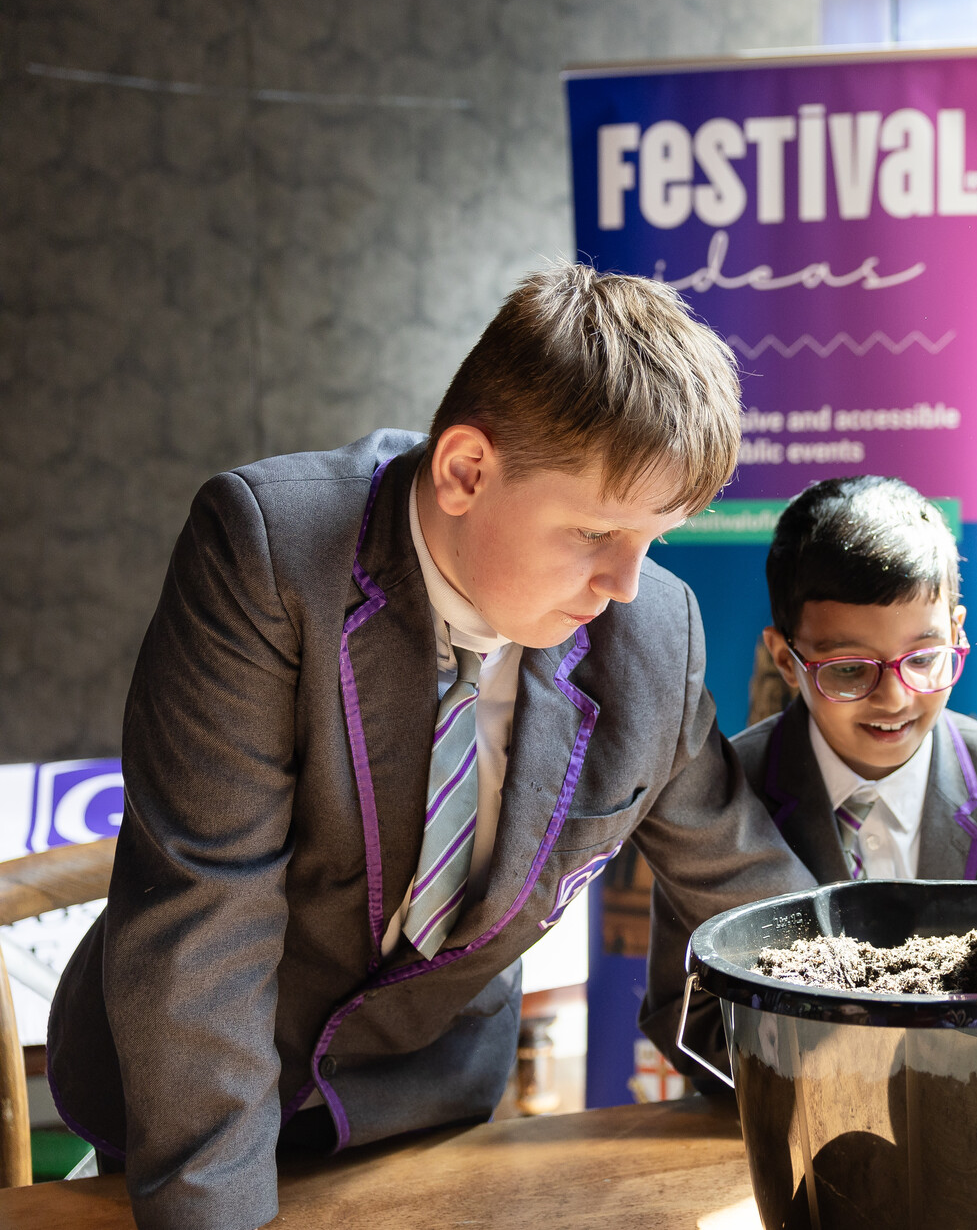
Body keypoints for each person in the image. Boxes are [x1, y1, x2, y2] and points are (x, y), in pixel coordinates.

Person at [48, 265, 814, 1230]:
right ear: (465, 470)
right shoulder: (270, 555)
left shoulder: (656, 634)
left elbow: (754, 893)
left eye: (654, 540)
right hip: (184, 1124)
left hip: (434, 1121)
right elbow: (208, 920)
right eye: (595, 532)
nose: (624, 584)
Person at [663, 475, 977, 1082]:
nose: (894, 698)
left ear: (958, 630)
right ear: (786, 661)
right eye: (848, 670)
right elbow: (683, 1015)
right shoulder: (720, 796)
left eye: (923, 658)